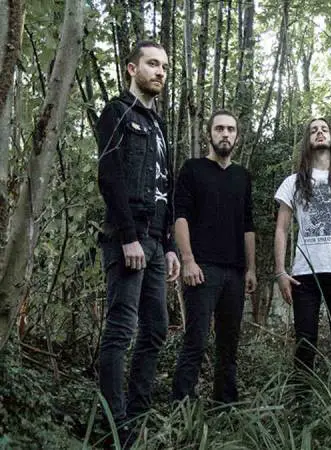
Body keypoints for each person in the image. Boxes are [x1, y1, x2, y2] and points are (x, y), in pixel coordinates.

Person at [96, 40, 180, 439]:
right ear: (132, 69)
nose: (160, 72)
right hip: (127, 238)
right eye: (152, 64)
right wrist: (128, 237)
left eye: (164, 66)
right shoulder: (116, 112)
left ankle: (137, 414)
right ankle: (113, 425)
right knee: (120, 329)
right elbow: (109, 175)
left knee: (156, 328)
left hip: (156, 242)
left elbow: (166, 187)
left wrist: (169, 246)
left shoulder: (159, 126)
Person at [171, 109, 256, 405]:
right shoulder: (193, 169)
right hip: (202, 268)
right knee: (196, 340)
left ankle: (225, 406)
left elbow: (248, 225)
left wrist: (251, 269)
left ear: (237, 137)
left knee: (229, 345)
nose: (225, 134)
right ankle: (181, 406)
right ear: (209, 134)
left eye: (230, 129)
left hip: (235, 272)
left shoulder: (242, 176)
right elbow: (180, 216)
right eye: (219, 129)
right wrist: (188, 260)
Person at [274, 118, 331, 382]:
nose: (319, 132)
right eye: (313, 130)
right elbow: (281, 229)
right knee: (305, 345)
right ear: (307, 141)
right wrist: (280, 272)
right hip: (304, 274)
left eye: (324, 129)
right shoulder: (293, 182)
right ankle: (302, 402)